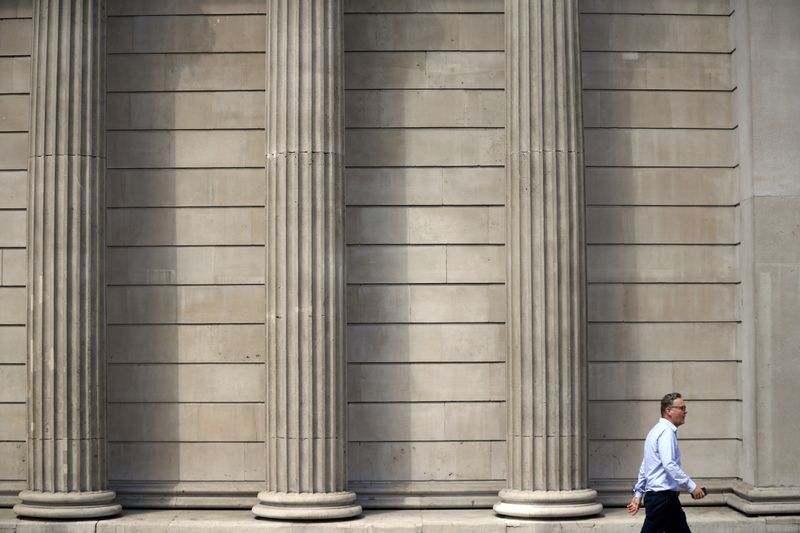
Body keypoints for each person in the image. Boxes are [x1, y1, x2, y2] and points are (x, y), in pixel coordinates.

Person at [627, 392, 705, 532]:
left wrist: (638, 495)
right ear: (668, 411)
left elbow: (645, 466)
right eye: (682, 408)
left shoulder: (655, 431)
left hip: (663, 498)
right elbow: (669, 464)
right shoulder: (666, 432)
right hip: (663, 499)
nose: (685, 411)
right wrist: (692, 486)